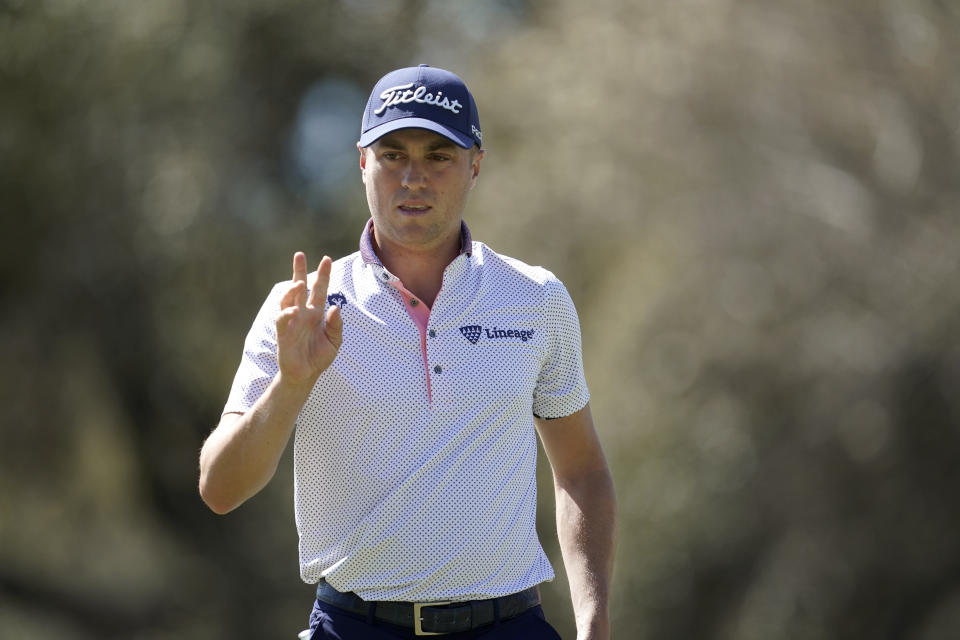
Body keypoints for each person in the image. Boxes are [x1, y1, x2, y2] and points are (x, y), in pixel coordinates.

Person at [199, 64, 616, 640]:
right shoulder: (300, 308)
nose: (413, 177)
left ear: (475, 165)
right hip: (354, 627)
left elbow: (582, 471)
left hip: (509, 625)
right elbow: (220, 489)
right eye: (393, 155)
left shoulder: (534, 299)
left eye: (438, 156)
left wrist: (594, 621)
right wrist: (291, 384)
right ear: (363, 164)